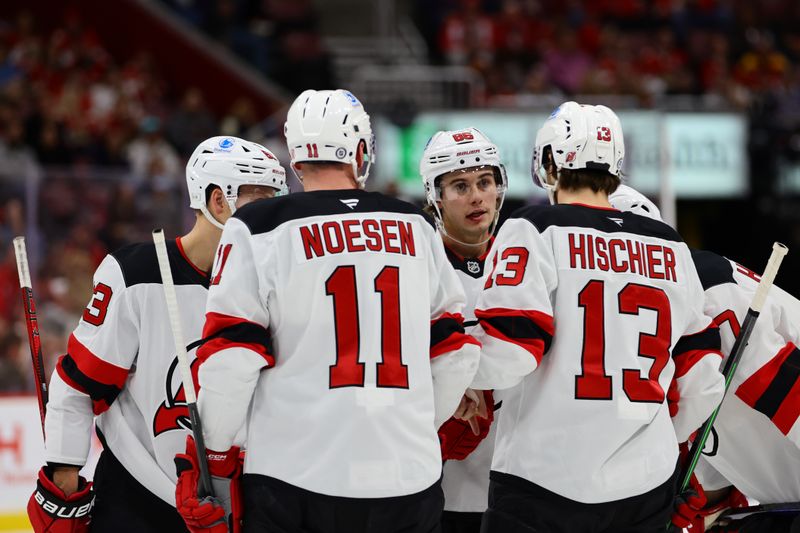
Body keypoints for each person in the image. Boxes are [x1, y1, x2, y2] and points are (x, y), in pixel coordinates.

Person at [178, 89, 481, 533]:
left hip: (295, 480)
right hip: (406, 480)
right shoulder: (414, 225)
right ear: (361, 151)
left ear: (295, 160)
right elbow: (457, 354)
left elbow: (232, 358)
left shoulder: (259, 227)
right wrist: (413, 422)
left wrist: (214, 454)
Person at [470, 101, 726, 532]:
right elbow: (702, 379)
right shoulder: (671, 245)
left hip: (543, 476)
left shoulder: (535, 227)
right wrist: (659, 440)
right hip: (646, 484)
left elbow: (512, 351)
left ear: (548, 161)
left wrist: (459, 377)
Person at [27, 136, 286, 533]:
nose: (272, 216)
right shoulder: (136, 274)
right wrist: (64, 477)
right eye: (261, 200)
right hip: (136, 501)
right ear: (219, 201)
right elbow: (80, 384)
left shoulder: (278, 284)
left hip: (237, 505)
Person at [610, 186, 800, 533]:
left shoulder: (708, 290)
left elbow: (787, 392)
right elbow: (719, 460)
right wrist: (687, 497)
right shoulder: (642, 329)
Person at [419, 127, 506, 533]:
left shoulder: (526, 266)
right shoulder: (413, 266)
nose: (476, 196)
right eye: (460, 185)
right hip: (434, 485)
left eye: (484, 182)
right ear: (435, 197)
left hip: (515, 486)